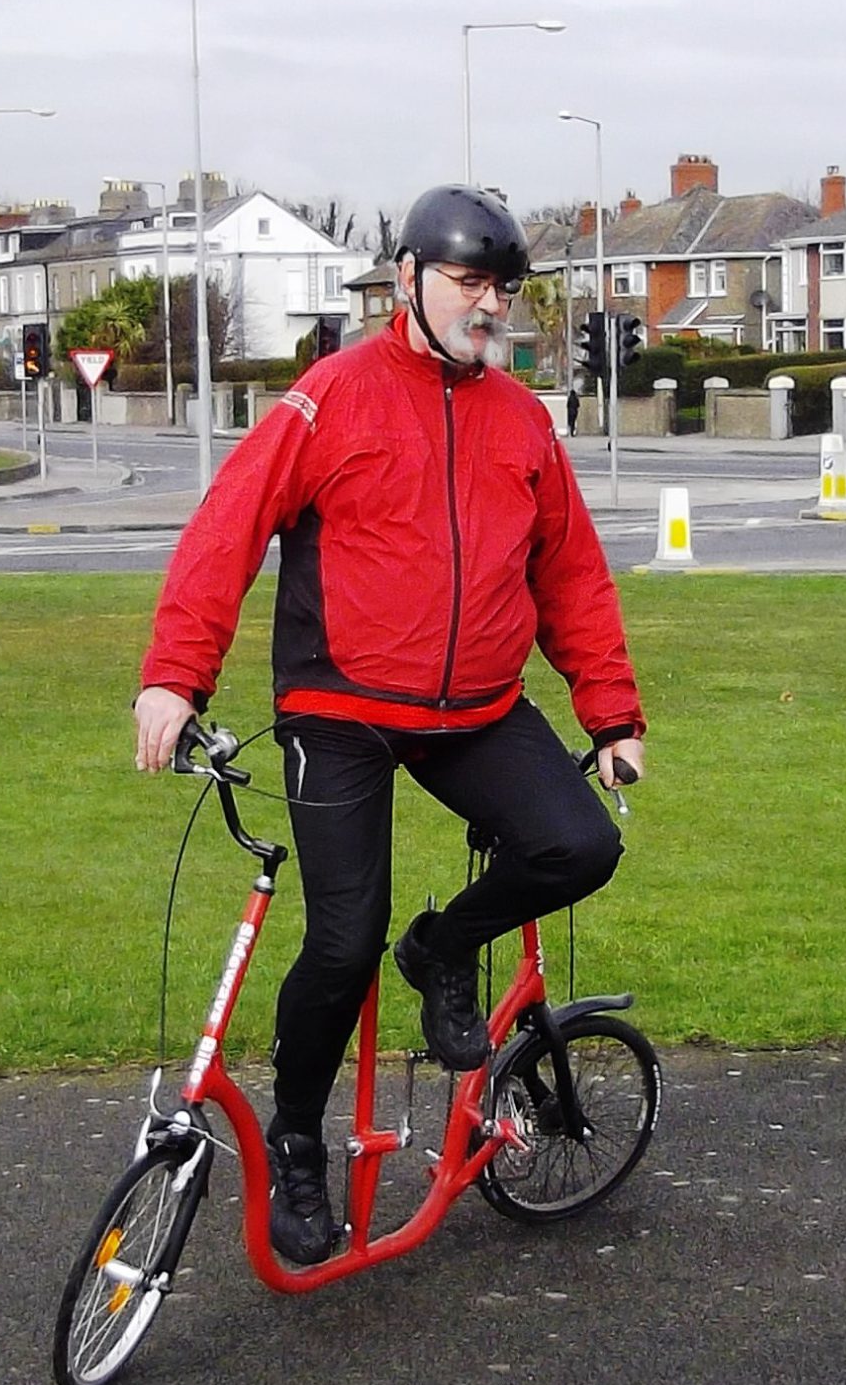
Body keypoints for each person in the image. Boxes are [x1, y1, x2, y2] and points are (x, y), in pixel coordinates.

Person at [133, 184, 648, 1268]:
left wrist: (609, 712)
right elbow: (225, 531)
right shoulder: (332, 398)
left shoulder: (521, 421)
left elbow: (571, 573)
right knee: (338, 937)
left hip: (475, 707)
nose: (487, 305)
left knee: (580, 842)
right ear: (407, 279)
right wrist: (174, 676)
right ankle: (296, 1148)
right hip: (342, 708)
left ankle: (444, 946)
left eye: (501, 287)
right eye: (468, 281)